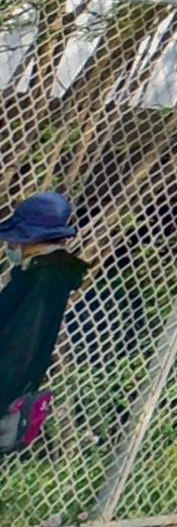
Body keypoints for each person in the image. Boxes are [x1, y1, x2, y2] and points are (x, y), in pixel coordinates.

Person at [0, 194, 83, 457]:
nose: (10, 243)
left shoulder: (45, 280)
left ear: (32, 237)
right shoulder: (40, 273)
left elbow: (21, 348)